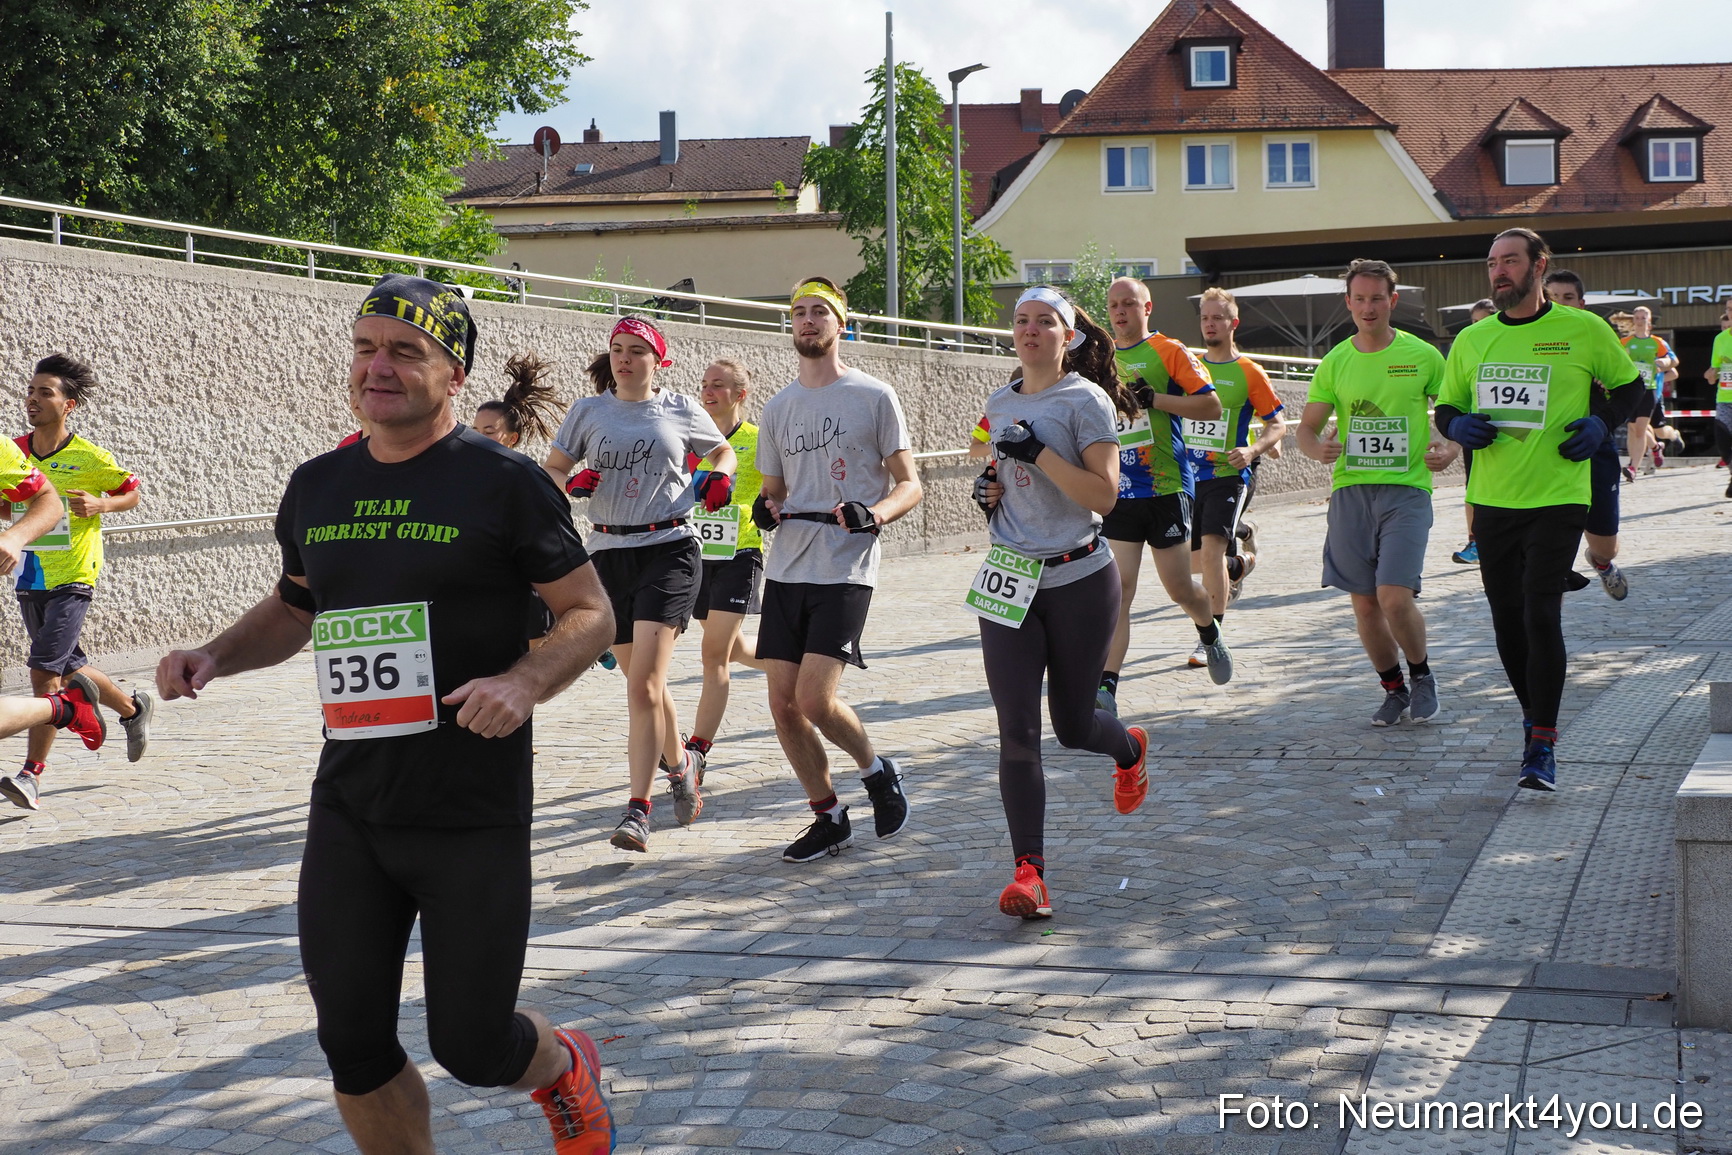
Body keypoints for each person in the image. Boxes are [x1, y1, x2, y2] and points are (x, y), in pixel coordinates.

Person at [155, 274, 618, 1153]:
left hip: (470, 809)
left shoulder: (507, 484)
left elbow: (592, 614)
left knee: (474, 1045)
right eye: (365, 346)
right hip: (353, 804)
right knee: (352, 1041)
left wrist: (521, 683)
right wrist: (215, 653)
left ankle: (562, 1067)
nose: (378, 365)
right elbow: (297, 607)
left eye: (405, 350)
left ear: (453, 372)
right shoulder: (317, 486)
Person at [1438, 229, 1644, 791]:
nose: (1498, 271)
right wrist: (1455, 424)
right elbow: (1447, 402)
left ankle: (1543, 745)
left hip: (1559, 496)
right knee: (1507, 622)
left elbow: (1634, 390)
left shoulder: (1583, 329)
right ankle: (1533, 722)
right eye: (1492, 264)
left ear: (1538, 265)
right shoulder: (1473, 340)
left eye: (1509, 261)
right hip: (1494, 499)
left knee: (1539, 615)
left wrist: (1602, 423)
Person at [970, 286, 1149, 920]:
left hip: (1078, 577)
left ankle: (1127, 749)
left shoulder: (1086, 400)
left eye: (1045, 322)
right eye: (1021, 321)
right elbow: (1005, 478)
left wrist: (1036, 453)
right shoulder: (999, 401)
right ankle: (1030, 874)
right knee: (1016, 731)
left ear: (1068, 337)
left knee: (1073, 727)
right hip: (1010, 580)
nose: (1031, 330)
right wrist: (990, 487)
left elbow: (1103, 497)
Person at [545, 317, 735, 852]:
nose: (624, 359)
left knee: (642, 687)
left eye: (635, 351)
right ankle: (681, 766)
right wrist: (571, 481)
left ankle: (637, 810)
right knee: (645, 685)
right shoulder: (588, 410)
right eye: (616, 350)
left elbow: (722, 450)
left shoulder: (678, 408)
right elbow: (553, 469)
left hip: (669, 549)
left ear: (658, 360)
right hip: (606, 554)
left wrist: (718, 475)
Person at [755, 276, 920, 863]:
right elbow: (774, 492)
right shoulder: (778, 407)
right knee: (781, 705)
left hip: (846, 568)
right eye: (798, 312)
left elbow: (910, 485)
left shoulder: (873, 396)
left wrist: (873, 513)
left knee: (815, 700)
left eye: (819, 312)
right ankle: (827, 814)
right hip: (787, 568)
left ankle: (878, 771)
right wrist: (765, 508)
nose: (807, 321)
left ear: (841, 325)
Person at [1297, 259, 1456, 727]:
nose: (1368, 307)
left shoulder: (1424, 355)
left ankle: (1422, 675)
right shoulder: (1336, 361)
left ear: (1393, 300)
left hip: (1406, 491)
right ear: (1349, 303)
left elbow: (1453, 412)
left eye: (1377, 298)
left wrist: (1449, 448)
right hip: (1350, 492)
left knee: (1393, 596)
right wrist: (1317, 450)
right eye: (1360, 299)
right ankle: (1394, 689)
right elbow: (1306, 430)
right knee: (1364, 602)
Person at [5, 353, 151, 813]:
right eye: (30, 391)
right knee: (71, 669)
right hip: (30, 574)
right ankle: (131, 708)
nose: (32, 399)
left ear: (68, 405)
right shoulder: (14, 451)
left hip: (75, 576)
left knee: (44, 670)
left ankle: (31, 776)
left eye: (44, 392)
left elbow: (132, 489)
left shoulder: (89, 456)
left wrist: (103, 506)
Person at [1097, 276, 1231, 710]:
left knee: (1178, 588)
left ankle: (1209, 631)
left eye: (1129, 304)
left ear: (1147, 307)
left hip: (1167, 485)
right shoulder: (1099, 359)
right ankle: (1107, 686)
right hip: (1119, 491)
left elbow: (1210, 406)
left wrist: (1155, 400)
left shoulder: (1169, 351)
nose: (1120, 312)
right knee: (1120, 589)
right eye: (1114, 305)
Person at [1186, 288, 1286, 664]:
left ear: (1233, 323)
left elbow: (1277, 425)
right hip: (1187, 477)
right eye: (1204, 318)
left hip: (1230, 473)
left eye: (1217, 318)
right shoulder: (1190, 367)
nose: (1210, 324)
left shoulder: (1249, 372)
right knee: (1192, 565)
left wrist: (1252, 450)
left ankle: (1210, 639)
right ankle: (1241, 560)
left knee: (1210, 555)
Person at [684, 359, 767, 779]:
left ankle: (696, 751)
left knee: (713, 652)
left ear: (740, 394)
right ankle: (788, 665)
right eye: (704, 384)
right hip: (698, 555)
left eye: (718, 385)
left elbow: (778, 489)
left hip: (741, 553)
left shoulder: (758, 438)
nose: (708, 391)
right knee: (731, 647)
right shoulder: (693, 442)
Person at [1545, 272, 1630, 601]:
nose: (1561, 304)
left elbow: (1627, 385)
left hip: (1596, 445)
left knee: (1605, 545)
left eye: (1568, 298)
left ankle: (1601, 562)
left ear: (1581, 303)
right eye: (1553, 298)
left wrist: (1604, 384)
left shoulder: (1595, 335)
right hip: (1549, 449)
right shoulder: (1526, 338)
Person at [1452, 299, 1497, 565]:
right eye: (1473, 321)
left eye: (1484, 320)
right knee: (1473, 487)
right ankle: (1475, 542)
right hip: (1474, 428)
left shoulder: (1509, 345)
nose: (1478, 326)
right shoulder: (1466, 347)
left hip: (1507, 429)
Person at [1619, 306, 1673, 481]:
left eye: (1643, 318)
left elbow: (1673, 360)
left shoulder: (1657, 342)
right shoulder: (1625, 342)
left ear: (1649, 321)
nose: (1640, 321)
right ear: (1633, 320)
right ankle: (1655, 449)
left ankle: (1633, 467)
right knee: (1632, 428)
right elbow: (1615, 361)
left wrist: (1662, 362)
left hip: (1648, 390)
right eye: (1637, 318)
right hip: (1630, 390)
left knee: (1640, 430)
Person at [1708, 301, 1732, 494]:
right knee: (1722, 439)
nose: (1731, 313)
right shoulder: (1720, 339)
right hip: (1724, 397)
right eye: (1729, 309)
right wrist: (1711, 373)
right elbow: (1713, 372)